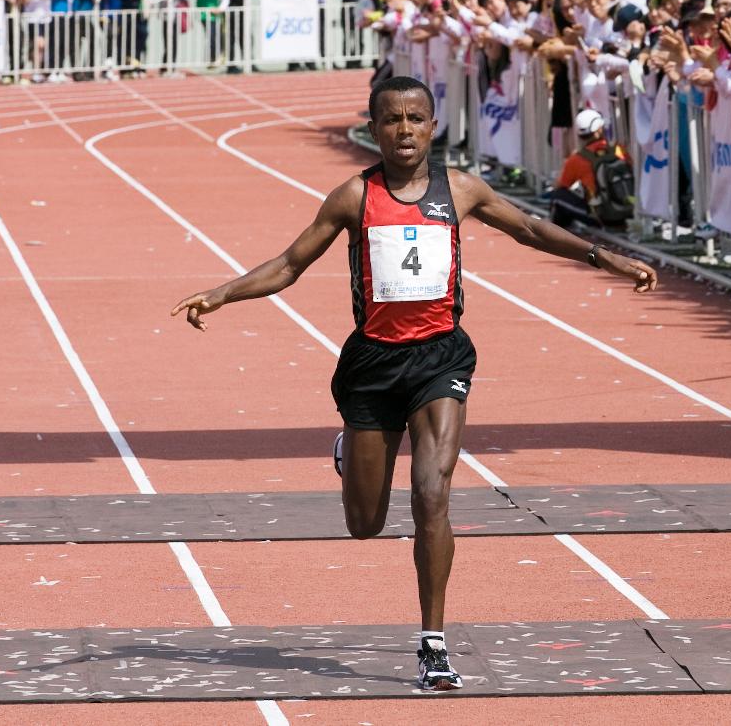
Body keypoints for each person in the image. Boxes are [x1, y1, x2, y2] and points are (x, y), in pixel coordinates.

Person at [171, 76, 656, 691]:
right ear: (374, 130)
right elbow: (291, 264)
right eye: (393, 119)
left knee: (432, 493)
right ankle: (352, 451)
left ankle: (433, 642)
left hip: (440, 360)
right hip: (372, 367)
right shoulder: (352, 196)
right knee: (365, 524)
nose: (405, 130)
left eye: (416, 118)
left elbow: (531, 230)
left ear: (433, 127)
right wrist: (224, 293)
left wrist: (603, 258)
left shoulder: (463, 191)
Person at [550, 108, 632, 228]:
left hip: (600, 217)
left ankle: (557, 238)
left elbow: (560, 186)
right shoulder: (618, 149)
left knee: (558, 197)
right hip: (627, 212)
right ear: (599, 129)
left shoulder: (577, 159)